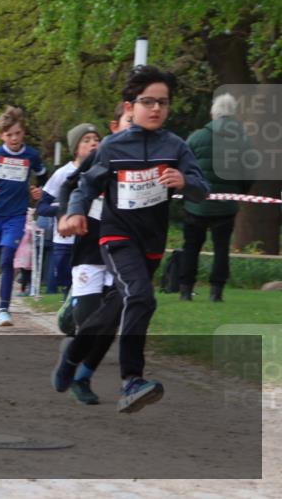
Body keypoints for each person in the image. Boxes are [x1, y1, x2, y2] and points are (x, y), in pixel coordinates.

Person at [64, 65, 209, 413]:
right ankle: (132, 381)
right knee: (142, 296)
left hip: (152, 243)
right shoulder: (113, 147)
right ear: (130, 106)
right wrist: (74, 212)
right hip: (115, 236)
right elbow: (84, 185)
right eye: (148, 102)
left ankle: (73, 358)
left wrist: (184, 182)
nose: (157, 108)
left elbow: (201, 190)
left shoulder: (175, 146)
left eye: (164, 102)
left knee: (118, 307)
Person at [52, 102, 133, 405]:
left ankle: (83, 376)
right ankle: (72, 318)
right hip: (89, 251)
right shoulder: (100, 158)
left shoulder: (147, 160)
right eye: (128, 121)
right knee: (90, 320)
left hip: (123, 251)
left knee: (110, 323)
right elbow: (67, 190)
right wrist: (65, 215)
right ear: (118, 125)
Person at [0, 106, 47, 326]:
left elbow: (43, 177)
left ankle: (3, 309)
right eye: (9, 134)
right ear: (1, 136)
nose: (14, 138)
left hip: (16, 216)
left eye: (17, 133)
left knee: (7, 260)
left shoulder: (31, 155)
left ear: (23, 132)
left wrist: (38, 190)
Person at [179, 93, 254, 302]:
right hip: (226, 205)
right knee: (222, 248)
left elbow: (183, 165)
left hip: (196, 203)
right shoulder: (243, 139)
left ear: (213, 112)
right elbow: (251, 171)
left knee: (191, 246)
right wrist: (239, 192)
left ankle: (185, 290)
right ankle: (216, 292)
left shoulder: (197, 137)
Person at [38, 124, 102, 296]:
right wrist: (65, 212)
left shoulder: (103, 170)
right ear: (75, 148)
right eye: (86, 140)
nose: (93, 144)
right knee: (68, 284)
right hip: (65, 241)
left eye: (97, 140)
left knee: (85, 287)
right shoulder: (62, 173)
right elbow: (42, 207)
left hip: (92, 239)